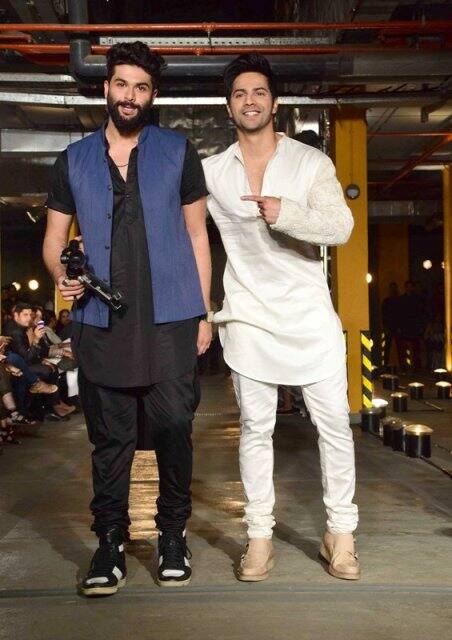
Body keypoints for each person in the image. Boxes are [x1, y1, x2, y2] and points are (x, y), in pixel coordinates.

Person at [43, 41, 212, 596]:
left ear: (152, 94)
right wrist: (61, 276)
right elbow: (54, 240)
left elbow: (197, 236)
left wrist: (204, 313)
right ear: (106, 88)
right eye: (121, 84)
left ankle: (172, 534)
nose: (130, 96)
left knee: (173, 427)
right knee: (110, 438)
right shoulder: (73, 159)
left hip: (171, 316)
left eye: (141, 87)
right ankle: (111, 540)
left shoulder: (178, 151)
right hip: (99, 318)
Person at [203, 53, 359, 582]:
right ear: (229, 107)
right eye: (240, 94)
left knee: (334, 426)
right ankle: (259, 537)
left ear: (275, 103)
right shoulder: (212, 172)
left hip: (309, 314)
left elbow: (341, 227)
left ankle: (341, 535)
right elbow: (185, 232)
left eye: (260, 92)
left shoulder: (310, 163)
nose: (250, 101)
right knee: (255, 428)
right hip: (247, 314)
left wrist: (285, 213)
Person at [381, 282, 403, 369]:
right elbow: (383, 315)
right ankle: (385, 365)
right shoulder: (386, 301)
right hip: (389, 327)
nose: (393, 290)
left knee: (400, 347)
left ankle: (402, 365)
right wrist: (385, 326)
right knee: (387, 347)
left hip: (397, 327)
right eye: (392, 288)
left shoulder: (399, 301)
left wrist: (400, 327)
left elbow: (401, 315)